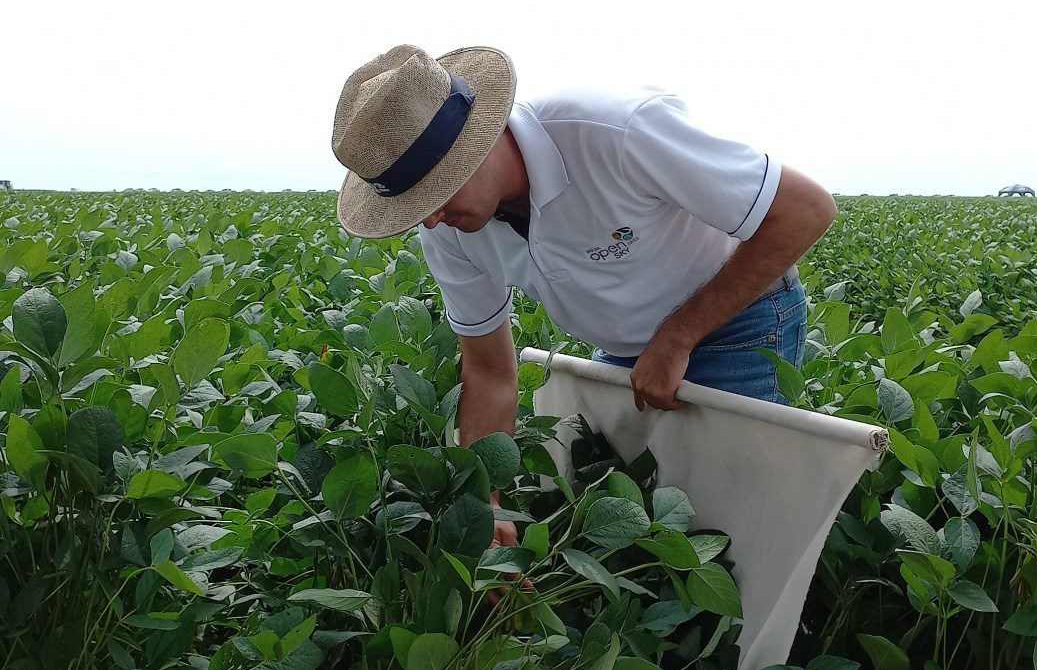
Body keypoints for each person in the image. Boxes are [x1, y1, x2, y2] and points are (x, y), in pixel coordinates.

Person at [330, 44, 836, 541]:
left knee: (732, 515)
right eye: (414, 205)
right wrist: (486, 503)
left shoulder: (614, 132)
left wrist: (678, 336)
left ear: (473, 144)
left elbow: (805, 211)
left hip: (737, 321)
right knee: (629, 514)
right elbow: (488, 371)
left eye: (436, 192)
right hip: (626, 350)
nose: (431, 218)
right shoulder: (446, 228)